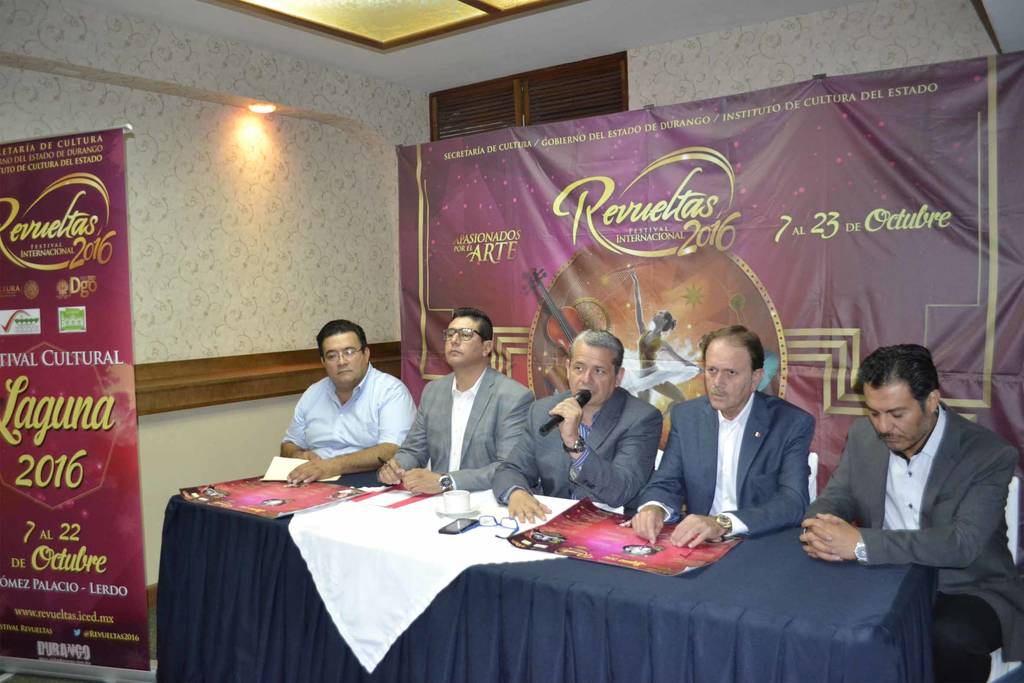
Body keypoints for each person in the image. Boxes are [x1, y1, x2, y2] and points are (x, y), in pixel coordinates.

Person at [800, 344, 1022, 683]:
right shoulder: (863, 435)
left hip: (966, 586)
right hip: (883, 578)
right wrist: (820, 525)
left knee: (949, 638)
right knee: (814, 615)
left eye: (896, 414)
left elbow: (961, 544)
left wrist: (861, 544)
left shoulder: (987, 454)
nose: (883, 426)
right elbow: (838, 496)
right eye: (874, 413)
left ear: (931, 401)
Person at [631, 325, 814, 547]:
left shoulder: (790, 423)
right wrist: (654, 507)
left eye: (731, 373)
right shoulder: (687, 417)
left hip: (761, 542)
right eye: (712, 370)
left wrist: (724, 523)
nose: (717, 383)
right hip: (700, 544)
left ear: (755, 378)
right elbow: (667, 481)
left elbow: (793, 502)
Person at [492, 329, 663, 521]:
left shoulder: (641, 418)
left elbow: (620, 490)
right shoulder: (544, 411)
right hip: (552, 521)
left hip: (611, 525)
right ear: (567, 368)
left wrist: (574, 442)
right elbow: (510, 469)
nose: (586, 379)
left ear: (618, 377)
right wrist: (516, 492)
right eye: (579, 368)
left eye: (599, 371)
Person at [378, 307, 532, 493]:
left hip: (486, 499)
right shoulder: (433, 392)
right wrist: (395, 467)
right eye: (450, 334)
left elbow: (508, 468)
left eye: (465, 334)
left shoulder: (513, 397)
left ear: (486, 348)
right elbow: (413, 451)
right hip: (437, 499)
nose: (454, 340)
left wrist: (446, 481)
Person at [282, 319, 416, 483]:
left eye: (349, 352)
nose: (342, 362)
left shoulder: (390, 391)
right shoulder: (313, 394)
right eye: (332, 356)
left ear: (366, 354)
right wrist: (298, 455)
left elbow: (392, 450)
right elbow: (288, 444)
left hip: (372, 479)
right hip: (315, 479)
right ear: (323, 362)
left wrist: (332, 466)